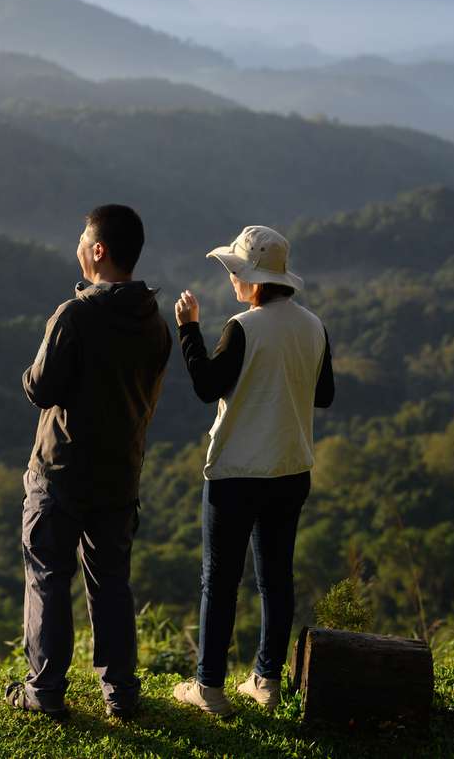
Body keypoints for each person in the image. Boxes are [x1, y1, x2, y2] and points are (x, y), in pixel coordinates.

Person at [4, 204, 172, 721]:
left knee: (48, 577)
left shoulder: (74, 315)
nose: (77, 244)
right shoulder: (153, 322)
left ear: (98, 251)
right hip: (120, 473)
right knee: (111, 583)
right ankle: (120, 692)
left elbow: (41, 386)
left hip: (61, 472)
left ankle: (45, 690)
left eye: (82, 237)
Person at [169, 225, 334, 716]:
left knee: (219, 581)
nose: (233, 282)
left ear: (252, 280)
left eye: (236, 273)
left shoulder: (243, 327)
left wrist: (188, 329)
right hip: (290, 467)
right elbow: (323, 395)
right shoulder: (314, 327)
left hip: (237, 471)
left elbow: (206, 385)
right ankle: (266, 679)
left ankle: (210, 688)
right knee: (275, 578)